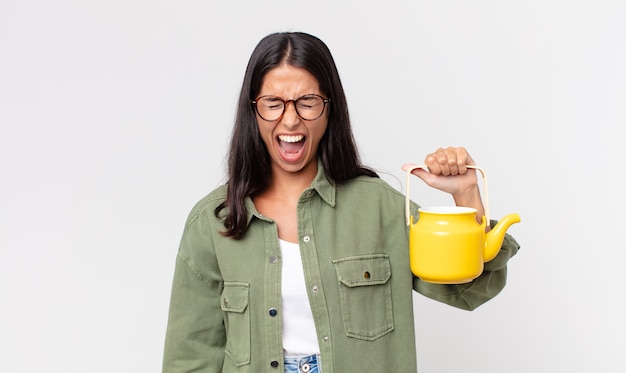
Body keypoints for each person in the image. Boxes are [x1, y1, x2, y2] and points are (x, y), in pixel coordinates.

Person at [162, 31, 520, 373]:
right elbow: (190, 357)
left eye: (307, 102)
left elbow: (470, 290)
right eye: (273, 103)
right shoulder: (213, 222)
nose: (290, 119)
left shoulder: (380, 209)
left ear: (329, 108)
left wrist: (466, 195)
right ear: (253, 111)